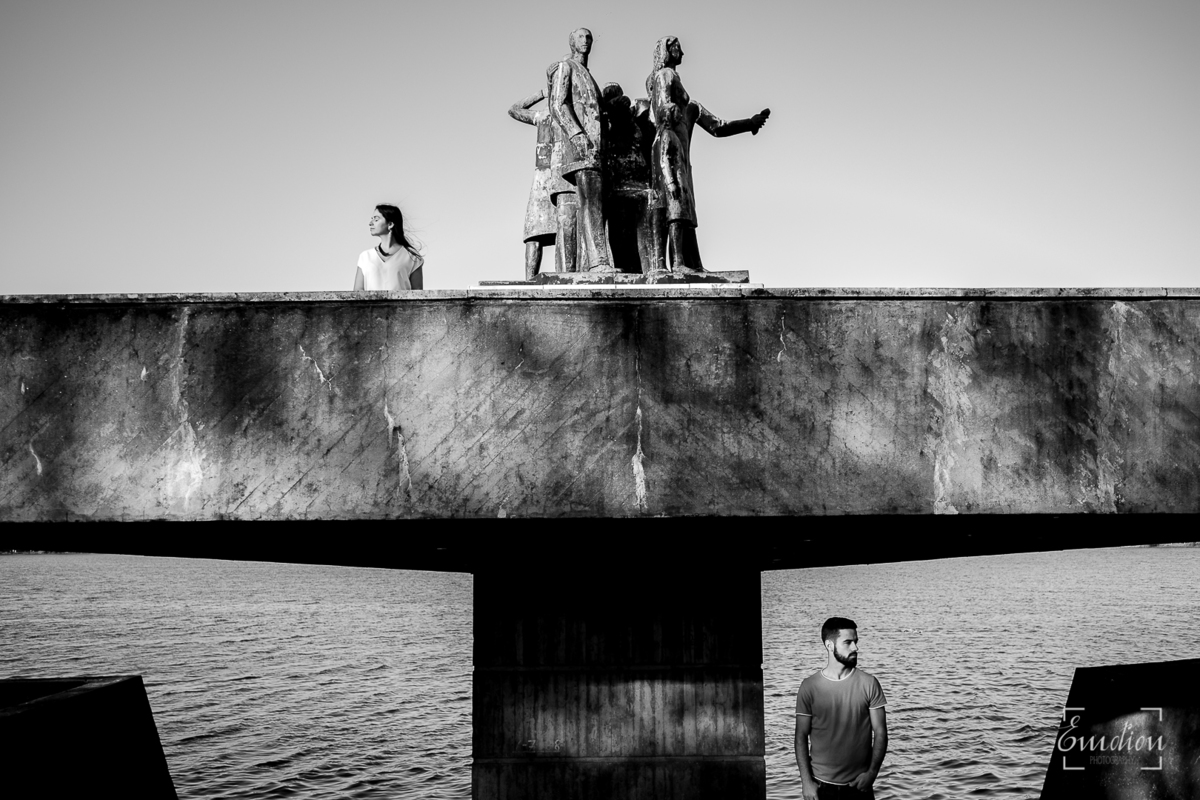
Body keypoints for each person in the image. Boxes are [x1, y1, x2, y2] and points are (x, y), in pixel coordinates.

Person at [646, 36, 769, 273]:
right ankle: (679, 263)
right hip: (667, 151)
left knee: (685, 209)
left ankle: (693, 263)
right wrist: (668, 114)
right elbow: (662, 111)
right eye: (677, 48)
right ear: (666, 52)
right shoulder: (665, 76)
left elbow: (718, 127)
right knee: (675, 204)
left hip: (680, 156)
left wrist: (750, 123)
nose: (682, 52)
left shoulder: (691, 107)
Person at [794, 617, 888, 799]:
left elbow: (881, 732)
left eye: (856, 642)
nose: (855, 648)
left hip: (860, 787)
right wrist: (806, 781)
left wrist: (872, 774)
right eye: (848, 642)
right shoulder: (809, 687)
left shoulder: (869, 684)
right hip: (821, 788)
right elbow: (800, 736)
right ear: (829, 645)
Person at [548, 28, 611, 272]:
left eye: (589, 37)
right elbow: (557, 104)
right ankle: (598, 263)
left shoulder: (589, 75)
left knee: (592, 202)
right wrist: (577, 135)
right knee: (591, 201)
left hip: (595, 149)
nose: (586, 41)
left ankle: (593, 262)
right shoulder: (567, 66)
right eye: (581, 37)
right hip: (581, 147)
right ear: (572, 42)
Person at [508, 88, 576, 278]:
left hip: (561, 175)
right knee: (535, 232)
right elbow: (514, 110)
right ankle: (530, 280)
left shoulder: (557, 114)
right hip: (546, 176)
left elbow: (515, 109)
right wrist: (541, 93)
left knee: (561, 231)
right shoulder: (545, 115)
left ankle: (561, 274)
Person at [354, 204, 424, 291]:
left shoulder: (412, 256)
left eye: (376, 219)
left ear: (390, 224)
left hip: (401, 305)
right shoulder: (365, 256)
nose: (370, 223)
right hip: (370, 305)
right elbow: (357, 293)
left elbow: (418, 295)